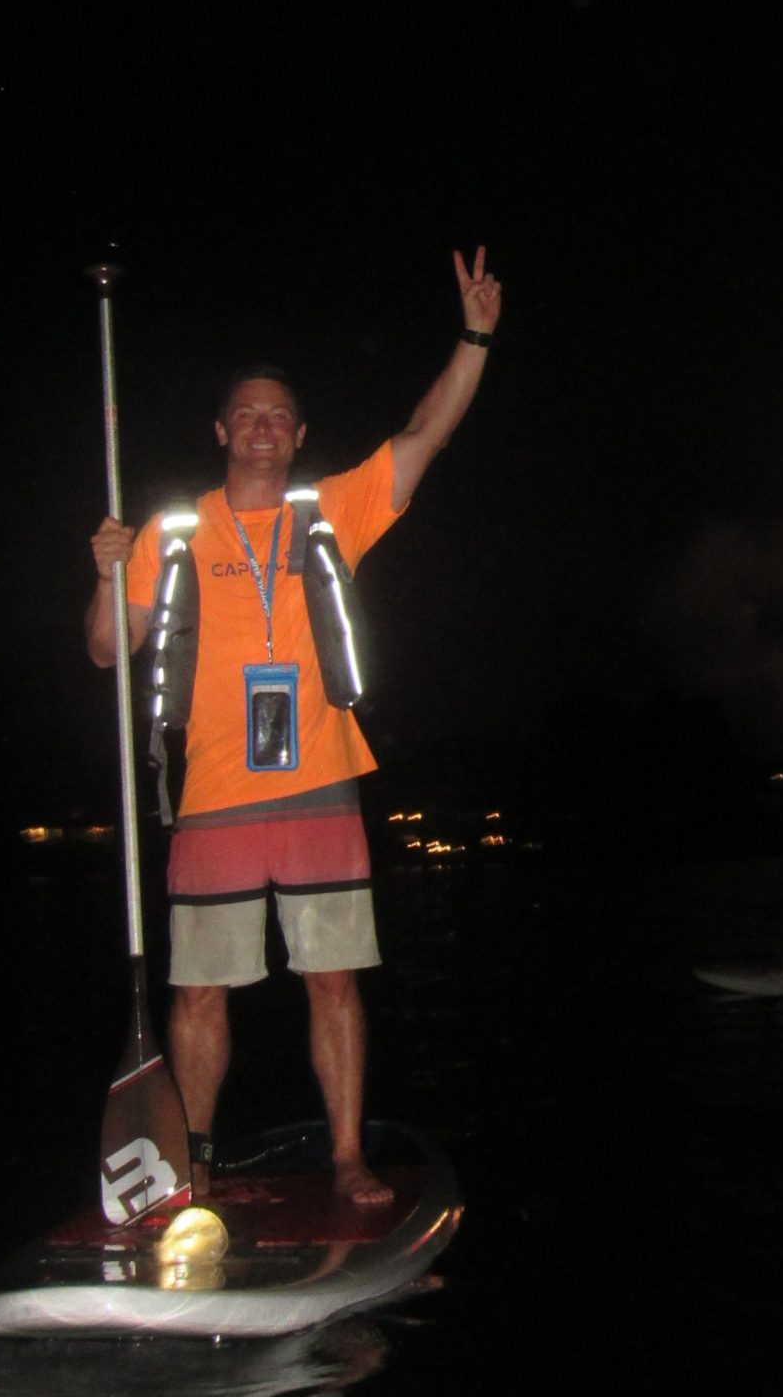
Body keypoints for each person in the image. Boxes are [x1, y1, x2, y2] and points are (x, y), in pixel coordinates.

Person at [86, 247, 503, 1207]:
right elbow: (110, 652)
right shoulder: (173, 533)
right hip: (214, 797)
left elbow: (426, 432)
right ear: (222, 430)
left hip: (321, 784)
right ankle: (191, 1168)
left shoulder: (332, 513)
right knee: (199, 996)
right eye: (249, 413)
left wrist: (476, 335)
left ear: (298, 432)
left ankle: (348, 1156)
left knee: (333, 982)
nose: (264, 426)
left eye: (281, 414)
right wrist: (107, 570)